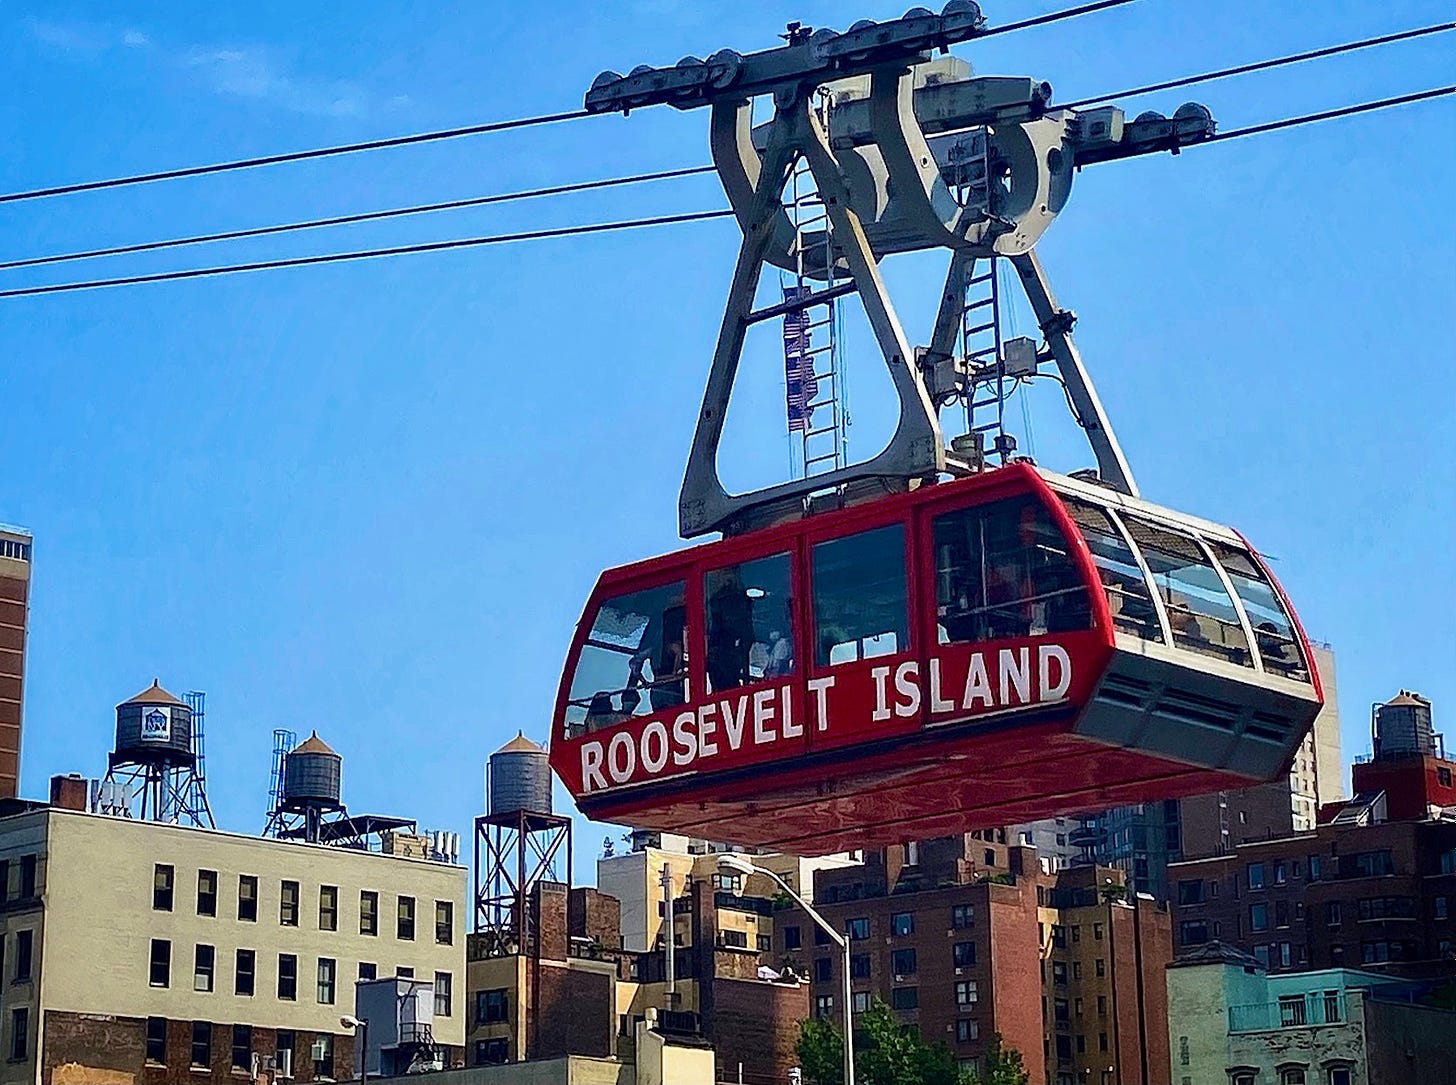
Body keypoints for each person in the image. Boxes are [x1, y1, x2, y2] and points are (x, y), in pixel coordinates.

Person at [630, 598, 687, 711]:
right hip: (671, 690)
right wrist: (677, 676)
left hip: (656, 690)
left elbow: (634, 663)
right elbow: (678, 673)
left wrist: (645, 682)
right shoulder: (674, 647)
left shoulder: (653, 649)